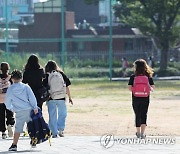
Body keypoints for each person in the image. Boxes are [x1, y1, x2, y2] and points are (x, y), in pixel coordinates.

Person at [4, 70, 38, 151]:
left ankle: (14, 145)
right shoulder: (26, 87)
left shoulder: (11, 89)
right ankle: (33, 141)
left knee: (18, 128)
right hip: (29, 109)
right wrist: (35, 107)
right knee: (31, 125)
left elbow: (7, 100)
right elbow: (32, 97)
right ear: (22, 78)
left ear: (12, 79)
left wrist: (10, 108)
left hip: (19, 111)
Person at [44, 60, 73, 138]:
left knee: (52, 115)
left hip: (51, 98)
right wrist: (69, 97)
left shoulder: (46, 75)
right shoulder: (61, 74)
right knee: (62, 113)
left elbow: (44, 87)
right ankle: (60, 129)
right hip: (61, 97)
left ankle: (53, 132)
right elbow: (67, 86)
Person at [128, 59, 155, 139]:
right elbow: (152, 87)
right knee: (144, 114)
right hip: (145, 98)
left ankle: (138, 132)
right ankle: (143, 133)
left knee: (137, 114)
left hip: (136, 98)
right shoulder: (148, 76)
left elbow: (130, 88)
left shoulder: (133, 76)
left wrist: (136, 90)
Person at [0, 62, 15, 139]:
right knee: (10, 113)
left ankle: (3, 132)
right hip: (9, 99)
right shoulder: (10, 78)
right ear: (8, 69)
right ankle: (10, 124)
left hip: (0, 99)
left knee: (1, 115)